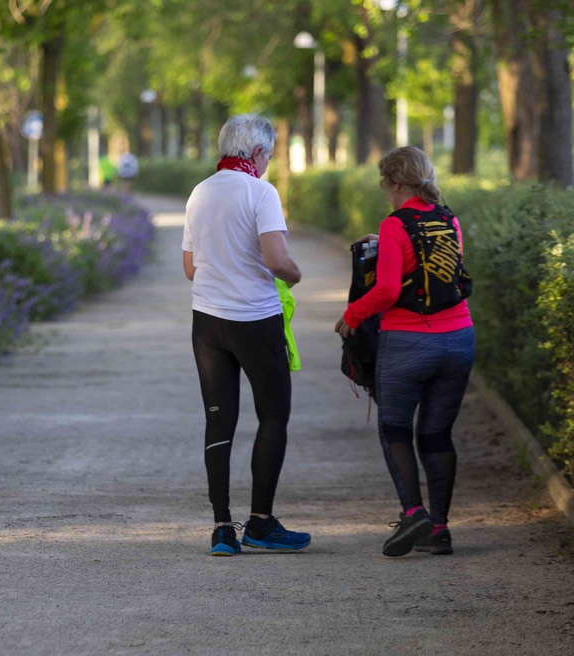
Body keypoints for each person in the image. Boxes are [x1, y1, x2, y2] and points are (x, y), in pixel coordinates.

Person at [336, 146, 474, 557]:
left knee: (394, 428)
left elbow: (388, 290)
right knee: (436, 432)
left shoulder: (397, 223)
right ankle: (441, 529)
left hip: (410, 341)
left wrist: (352, 316)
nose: (387, 194)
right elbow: (436, 265)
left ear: (396, 183)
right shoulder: (449, 218)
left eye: (386, 186)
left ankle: (414, 512)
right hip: (460, 337)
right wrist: (386, 243)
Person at [183, 113, 310, 556]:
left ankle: (221, 528)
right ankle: (260, 522)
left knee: (219, 419)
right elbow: (277, 261)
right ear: (256, 153)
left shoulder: (200, 192)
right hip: (255, 320)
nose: (269, 164)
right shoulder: (261, 191)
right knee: (273, 416)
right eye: (270, 156)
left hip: (207, 323)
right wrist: (294, 274)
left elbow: (189, 268)